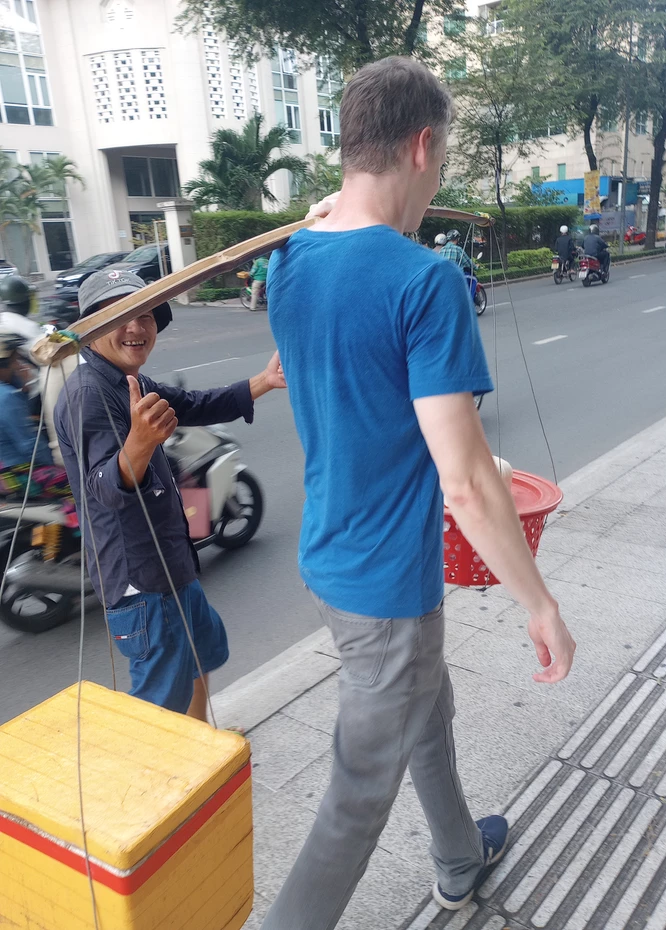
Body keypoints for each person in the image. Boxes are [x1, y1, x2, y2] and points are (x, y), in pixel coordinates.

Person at [263, 56, 576, 930]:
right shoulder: (422, 279)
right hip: (385, 586)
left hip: (330, 557)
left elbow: (361, 399)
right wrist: (540, 605)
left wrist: (477, 456)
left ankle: (458, 858)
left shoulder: (288, 261)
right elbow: (467, 485)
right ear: (423, 144)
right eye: (440, 159)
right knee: (358, 793)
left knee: (427, 703)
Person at [54, 269, 287, 719]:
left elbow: (192, 405)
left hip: (171, 566)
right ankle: (167, 781)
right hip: (141, 582)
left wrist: (262, 381)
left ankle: (202, 752)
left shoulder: (125, 380)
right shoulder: (87, 393)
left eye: (145, 315)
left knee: (198, 660)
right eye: (117, 315)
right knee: (161, 710)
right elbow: (102, 489)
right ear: (88, 328)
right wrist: (138, 445)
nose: (136, 327)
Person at [0, 274, 77, 466]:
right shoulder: (27, 327)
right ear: (25, 300)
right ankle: (62, 459)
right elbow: (49, 356)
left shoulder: (4, 320)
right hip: (35, 395)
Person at [0, 330, 76, 524]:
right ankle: (90, 539)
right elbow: (29, 446)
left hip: (6, 475)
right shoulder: (7, 396)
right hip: (18, 474)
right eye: (16, 362)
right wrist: (57, 462)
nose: (19, 367)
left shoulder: (9, 394)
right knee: (83, 483)